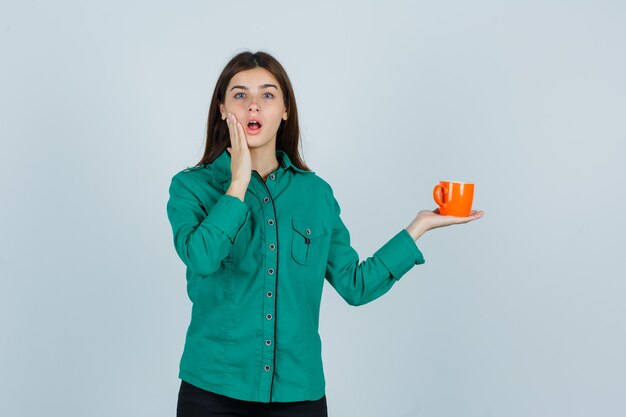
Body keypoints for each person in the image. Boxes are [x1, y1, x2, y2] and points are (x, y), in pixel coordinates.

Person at [166, 50, 484, 417]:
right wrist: (238, 183)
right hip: (211, 394)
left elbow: (355, 285)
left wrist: (420, 226)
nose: (253, 106)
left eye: (267, 95)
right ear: (222, 108)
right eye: (240, 95)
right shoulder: (191, 187)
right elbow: (202, 258)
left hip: (298, 395)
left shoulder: (316, 195)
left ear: (285, 110)